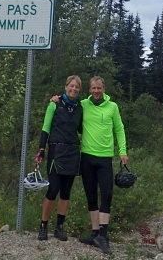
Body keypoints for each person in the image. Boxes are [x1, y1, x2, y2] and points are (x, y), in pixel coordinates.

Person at [75, 76, 128, 254]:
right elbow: (67, 104)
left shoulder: (112, 107)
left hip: (105, 157)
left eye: (99, 88)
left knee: (106, 194)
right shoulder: (83, 105)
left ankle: (103, 236)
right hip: (87, 156)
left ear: (104, 89)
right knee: (91, 196)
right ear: (89, 90)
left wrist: (123, 151)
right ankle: (95, 233)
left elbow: (119, 129)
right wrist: (56, 99)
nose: (96, 91)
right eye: (93, 88)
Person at [35, 75, 84, 241]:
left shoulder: (80, 107)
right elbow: (45, 128)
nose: (73, 89)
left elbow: (83, 128)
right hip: (56, 151)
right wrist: (41, 149)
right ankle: (43, 225)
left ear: (79, 90)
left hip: (72, 152)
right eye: (71, 86)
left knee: (65, 192)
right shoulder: (54, 104)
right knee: (53, 189)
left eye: (77, 87)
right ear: (66, 87)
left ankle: (59, 228)